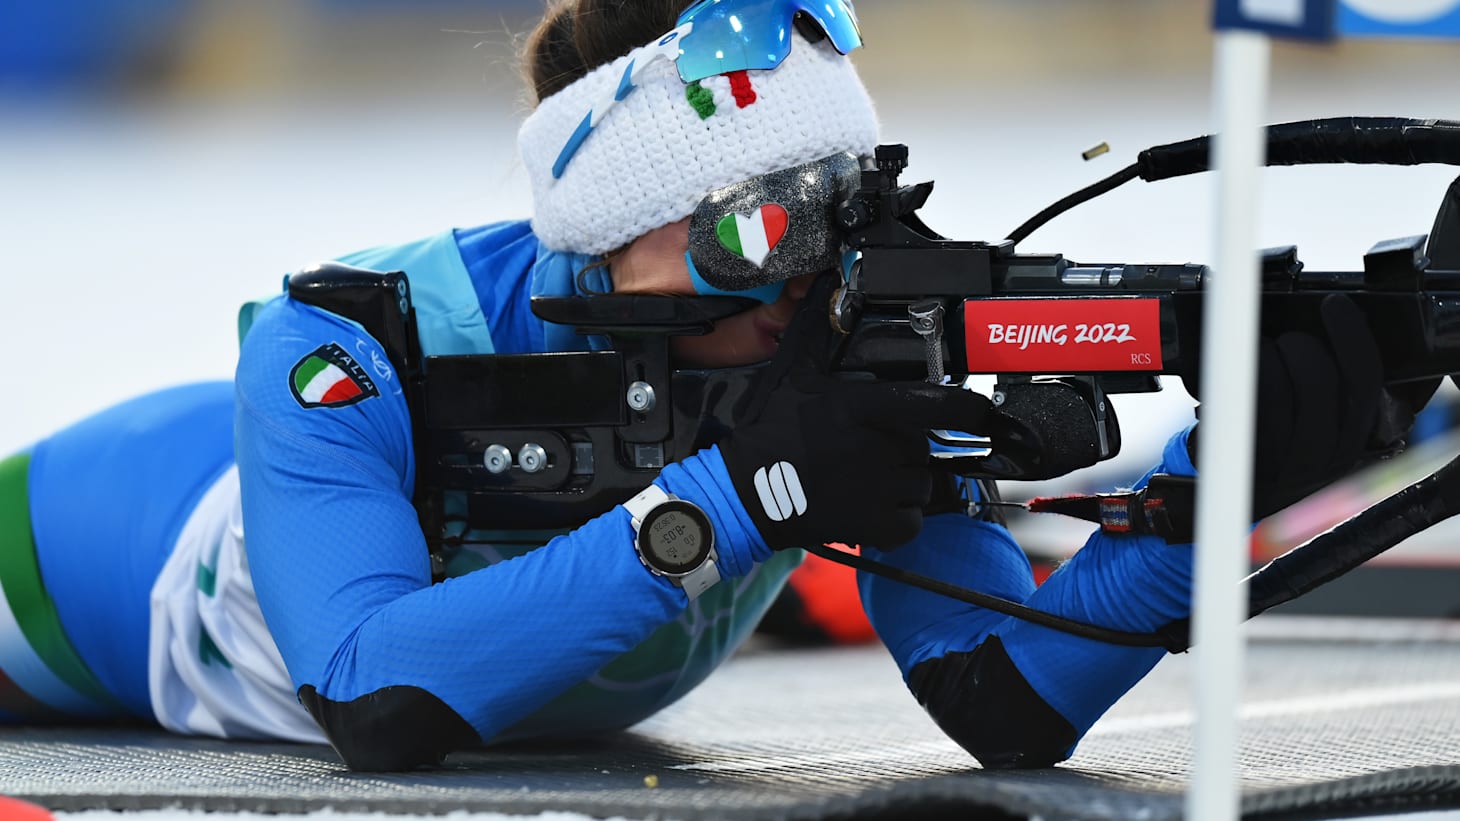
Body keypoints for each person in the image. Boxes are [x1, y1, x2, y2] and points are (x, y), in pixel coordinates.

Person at [0, 0, 1405, 773]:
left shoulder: (842, 335)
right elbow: (374, 698)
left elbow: (1003, 702)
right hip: (88, 548)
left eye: (828, 212)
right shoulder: (353, 339)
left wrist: (1203, 501)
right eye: (748, 228)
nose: (803, 279)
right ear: (609, 234)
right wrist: (738, 503)